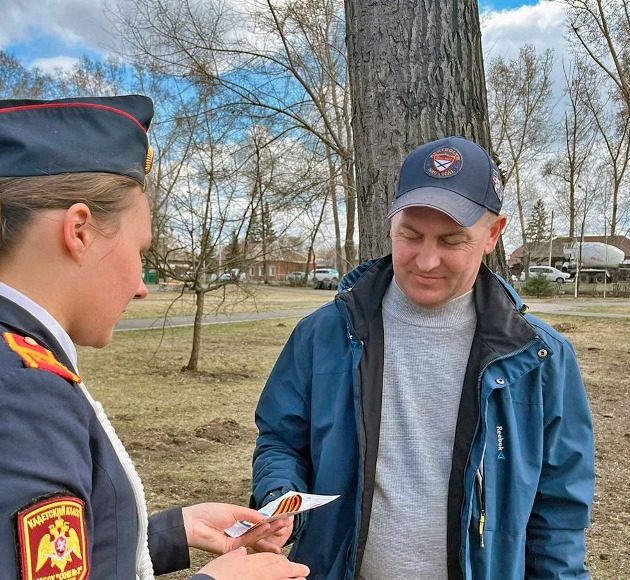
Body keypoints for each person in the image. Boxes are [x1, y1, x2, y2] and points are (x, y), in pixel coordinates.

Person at [0, 95, 307, 580]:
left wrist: (173, 531)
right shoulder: (18, 396)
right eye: (139, 251)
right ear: (79, 230)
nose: (141, 286)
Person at [252, 136, 595, 579]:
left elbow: (559, 511)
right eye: (411, 236)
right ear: (391, 224)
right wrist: (280, 497)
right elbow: (281, 440)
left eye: (452, 241)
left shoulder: (539, 357)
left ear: (493, 234)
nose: (426, 261)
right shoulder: (323, 335)